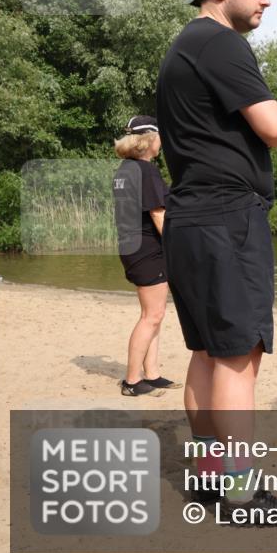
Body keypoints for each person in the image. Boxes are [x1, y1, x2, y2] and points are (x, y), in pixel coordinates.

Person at [156, 0, 277, 524]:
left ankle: (210, 481)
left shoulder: (183, 46)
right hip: (228, 218)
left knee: (207, 354)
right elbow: (272, 128)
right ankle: (241, 495)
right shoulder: (221, 43)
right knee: (237, 357)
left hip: (191, 216)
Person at [112, 116, 180, 397]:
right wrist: (177, 248)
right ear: (149, 139)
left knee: (153, 314)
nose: (162, 142)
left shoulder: (124, 170)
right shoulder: (146, 171)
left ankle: (152, 374)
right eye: (160, 137)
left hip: (131, 247)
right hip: (148, 249)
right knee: (152, 315)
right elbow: (158, 214)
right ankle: (132, 381)